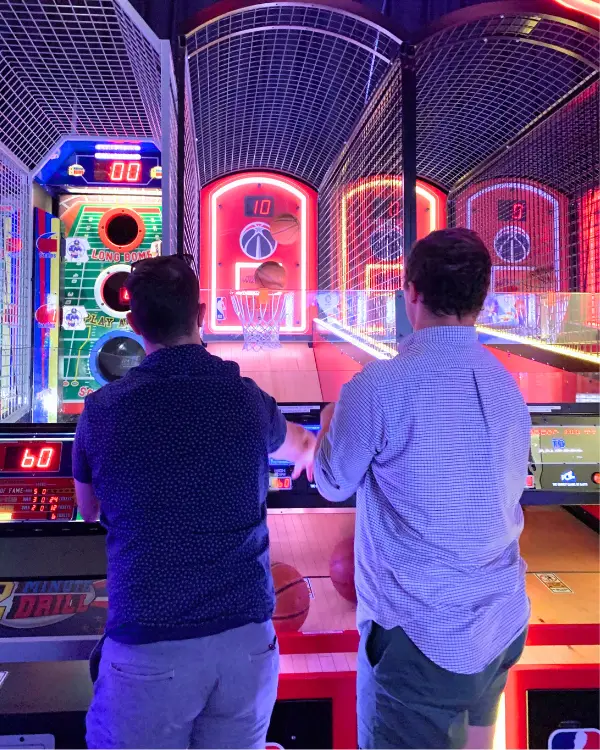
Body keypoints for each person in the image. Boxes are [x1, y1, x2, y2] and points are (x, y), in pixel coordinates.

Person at [74, 255, 316, 749]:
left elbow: (90, 509)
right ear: (200, 314)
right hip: (244, 643)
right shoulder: (247, 400)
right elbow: (307, 451)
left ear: (133, 322)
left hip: (150, 642)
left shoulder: (101, 412)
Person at [314, 228, 531, 750]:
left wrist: (329, 422)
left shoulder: (378, 386)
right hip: (501, 626)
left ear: (411, 293)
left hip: (422, 641)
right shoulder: (507, 386)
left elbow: (330, 481)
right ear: (481, 299)